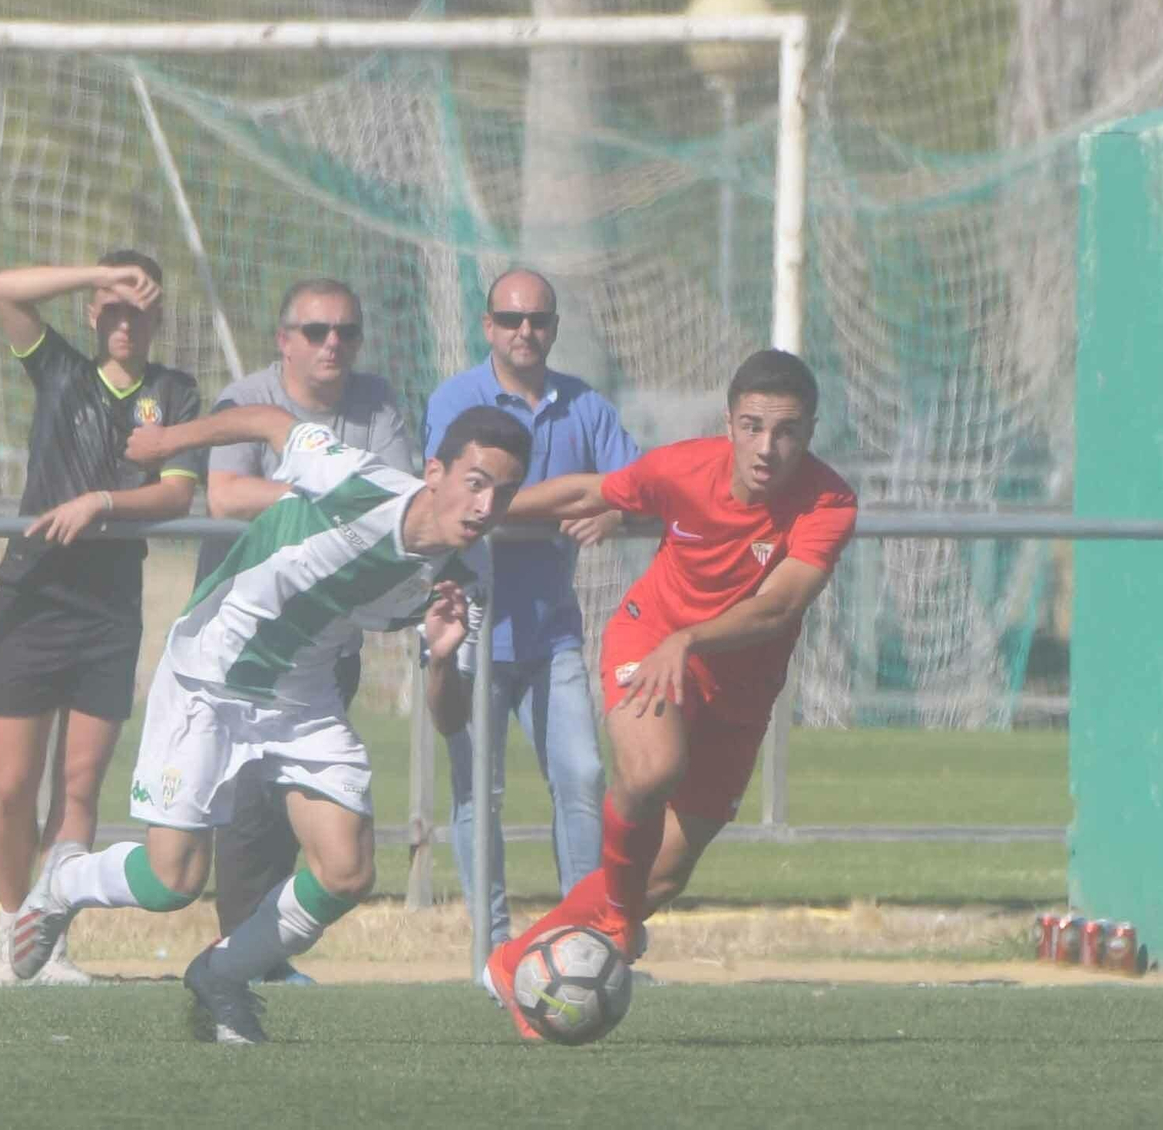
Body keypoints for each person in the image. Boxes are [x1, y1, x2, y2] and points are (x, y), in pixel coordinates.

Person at [8, 402, 531, 1045]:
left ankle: (222, 975)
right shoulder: (356, 482)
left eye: (504, 493)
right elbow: (269, 421)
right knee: (173, 881)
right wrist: (169, 440)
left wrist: (444, 658)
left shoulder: (466, 580)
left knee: (346, 871)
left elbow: (448, 718)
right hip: (211, 673)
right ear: (434, 473)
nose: (486, 506)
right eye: (476, 482)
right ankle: (65, 880)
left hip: (302, 696)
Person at [477, 349, 857, 1038]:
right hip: (649, 643)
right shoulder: (683, 467)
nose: (767, 447)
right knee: (651, 771)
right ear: (729, 423)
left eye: (788, 431)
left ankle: (514, 964)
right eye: (753, 426)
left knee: (660, 879)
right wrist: (478, 510)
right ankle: (613, 924)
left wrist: (694, 640)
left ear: (810, 431)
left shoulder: (830, 501)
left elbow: (778, 607)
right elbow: (586, 492)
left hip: (738, 691)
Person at [0, 252, 202, 984]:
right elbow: (5, 289)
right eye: (111, 306)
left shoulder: (174, 393)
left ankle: (47, 943)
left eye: (138, 308)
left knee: (79, 788)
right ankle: (11, 923)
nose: (123, 320)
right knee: (14, 786)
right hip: (34, 593)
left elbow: (175, 496)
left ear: (157, 318)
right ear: (91, 311)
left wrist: (103, 503)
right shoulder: (60, 371)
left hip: (109, 608)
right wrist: (93, 274)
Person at [198, 277, 412, 985]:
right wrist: (327, 499)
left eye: (346, 332)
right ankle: (234, 952)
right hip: (245, 646)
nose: (333, 346)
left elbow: (397, 502)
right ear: (284, 339)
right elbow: (227, 495)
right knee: (236, 813)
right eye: (317, 332)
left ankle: (260, 957)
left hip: (325, 639)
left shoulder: (376, 404)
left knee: (307, 810)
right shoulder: (247, 399)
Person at [421, 268, 639, 944]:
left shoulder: (586, 406)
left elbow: (637, 486)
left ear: (553, 328)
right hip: (471, 626)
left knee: (582, 775)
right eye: (510, 319)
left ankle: (585, 940)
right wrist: (580, 491)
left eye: (538, 320)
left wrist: (613, 511)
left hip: (551, 634)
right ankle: (491, 949)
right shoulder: (454, 401)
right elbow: (453, 506)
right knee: (475, 795)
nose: (525, 332)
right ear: (487, 326)